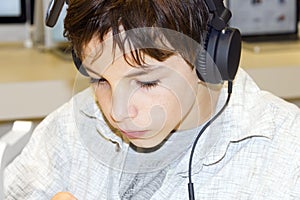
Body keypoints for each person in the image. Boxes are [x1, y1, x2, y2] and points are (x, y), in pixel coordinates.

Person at [4, 0, 300, 199]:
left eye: (147, 82)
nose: (117, 112)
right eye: (99, 80)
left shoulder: (285, 158)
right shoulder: (70, 128)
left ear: (209, 58)